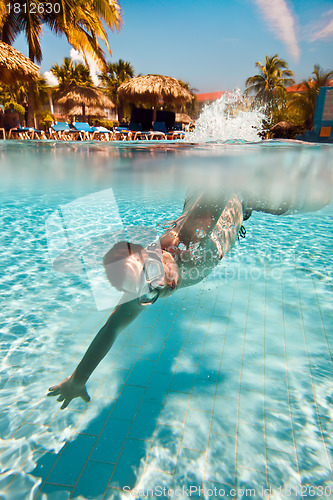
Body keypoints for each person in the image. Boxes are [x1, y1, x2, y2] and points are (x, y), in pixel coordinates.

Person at [46, 188, 324, 409]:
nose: (163, 284)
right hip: (222, 208)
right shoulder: (142, 290)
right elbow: (111, 328)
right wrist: (78, 379)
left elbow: (224, 181)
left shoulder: (186, 239)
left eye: (154, 271)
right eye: (149, 287)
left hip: (228, 195)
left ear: (154, 253)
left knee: (309, 200)